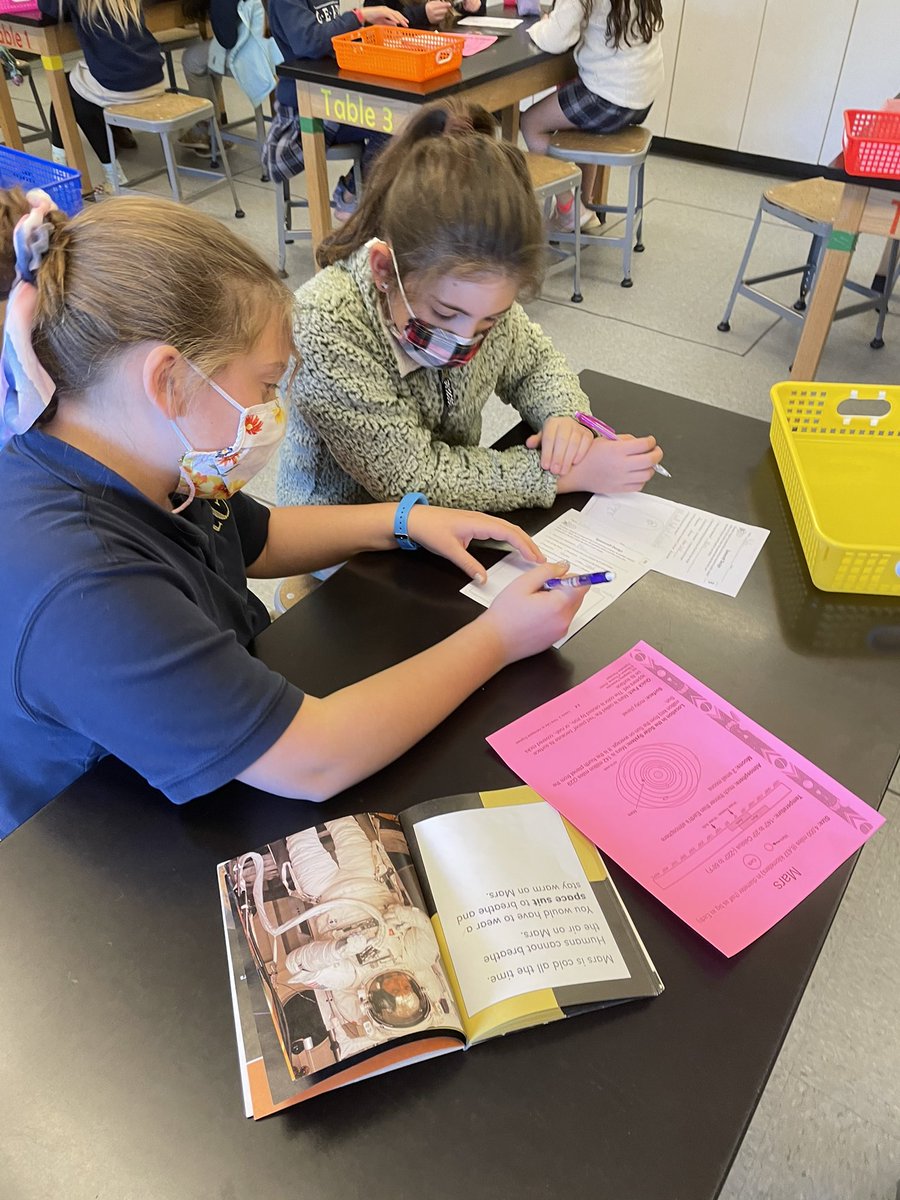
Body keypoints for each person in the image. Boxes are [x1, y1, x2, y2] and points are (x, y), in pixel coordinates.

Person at [0, 188, 586, 839]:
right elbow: (314, 758)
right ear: (167, 380)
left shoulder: (141, 455)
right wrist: (500, 637)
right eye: (266, 384)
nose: (272, 409)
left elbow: (259, 537)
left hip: (209, 744)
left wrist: (403, 520)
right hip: (109, 836)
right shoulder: (84, 583)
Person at [276, 100, 664, 512]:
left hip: (448, 518)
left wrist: (565, 418)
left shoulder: (478, 293)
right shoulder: (324, 325)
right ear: (385, 269)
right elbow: (413, 478)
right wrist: (563, 475)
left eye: (488, 322)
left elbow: (535, 364)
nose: (465, 340)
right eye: (445, 314)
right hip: (345, 535)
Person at [521, 0, 664, 233]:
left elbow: (555, 38)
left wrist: (544, 24)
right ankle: (584, 205)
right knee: (582, 123)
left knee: (530, 122)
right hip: (643, 94)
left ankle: (569, 209)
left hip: (609, 97)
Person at [263, 0, 404, 213]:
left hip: (334, 95)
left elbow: (329, 37)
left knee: (404, 119)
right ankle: (352, 197)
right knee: (397, 124)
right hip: (305, 107)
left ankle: (360, 194)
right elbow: (309, 41)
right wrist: (359, 16)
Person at [38, 0, 165, 195]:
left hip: (120, 85)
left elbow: (49, 8)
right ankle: (109, 172)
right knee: (74, 90)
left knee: (63, 91)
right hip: (153, 78)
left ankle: (63, 171)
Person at [178, 0, 282, 158]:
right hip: (275, 47)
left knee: (191, 59)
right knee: (210, 57)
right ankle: (211, 128)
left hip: (253, 55)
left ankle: (204, 128)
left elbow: (227, 39)